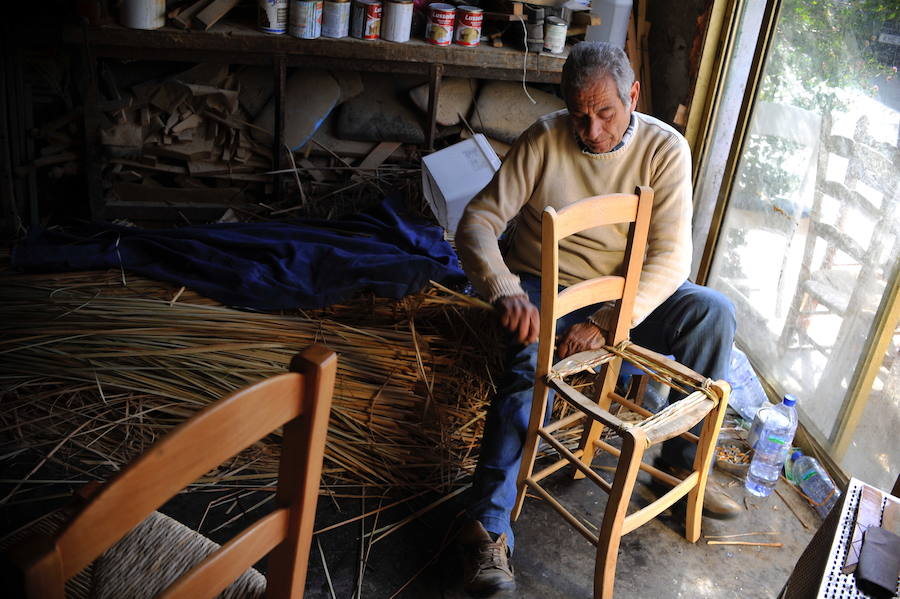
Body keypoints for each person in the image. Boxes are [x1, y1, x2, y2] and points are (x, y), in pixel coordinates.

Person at [453, 41, 739, 596]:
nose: (592, 129)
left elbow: (672, 258)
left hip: (620, 294)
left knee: (713, 313)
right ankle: (487, 528)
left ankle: (679, 468)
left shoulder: (665, 148)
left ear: (632, 95)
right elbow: (477, 223)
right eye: (579, 113)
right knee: (528, 368)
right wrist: (505, 289)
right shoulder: (544, 138)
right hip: (544, 284)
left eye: (605, 112)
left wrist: (612, 318)